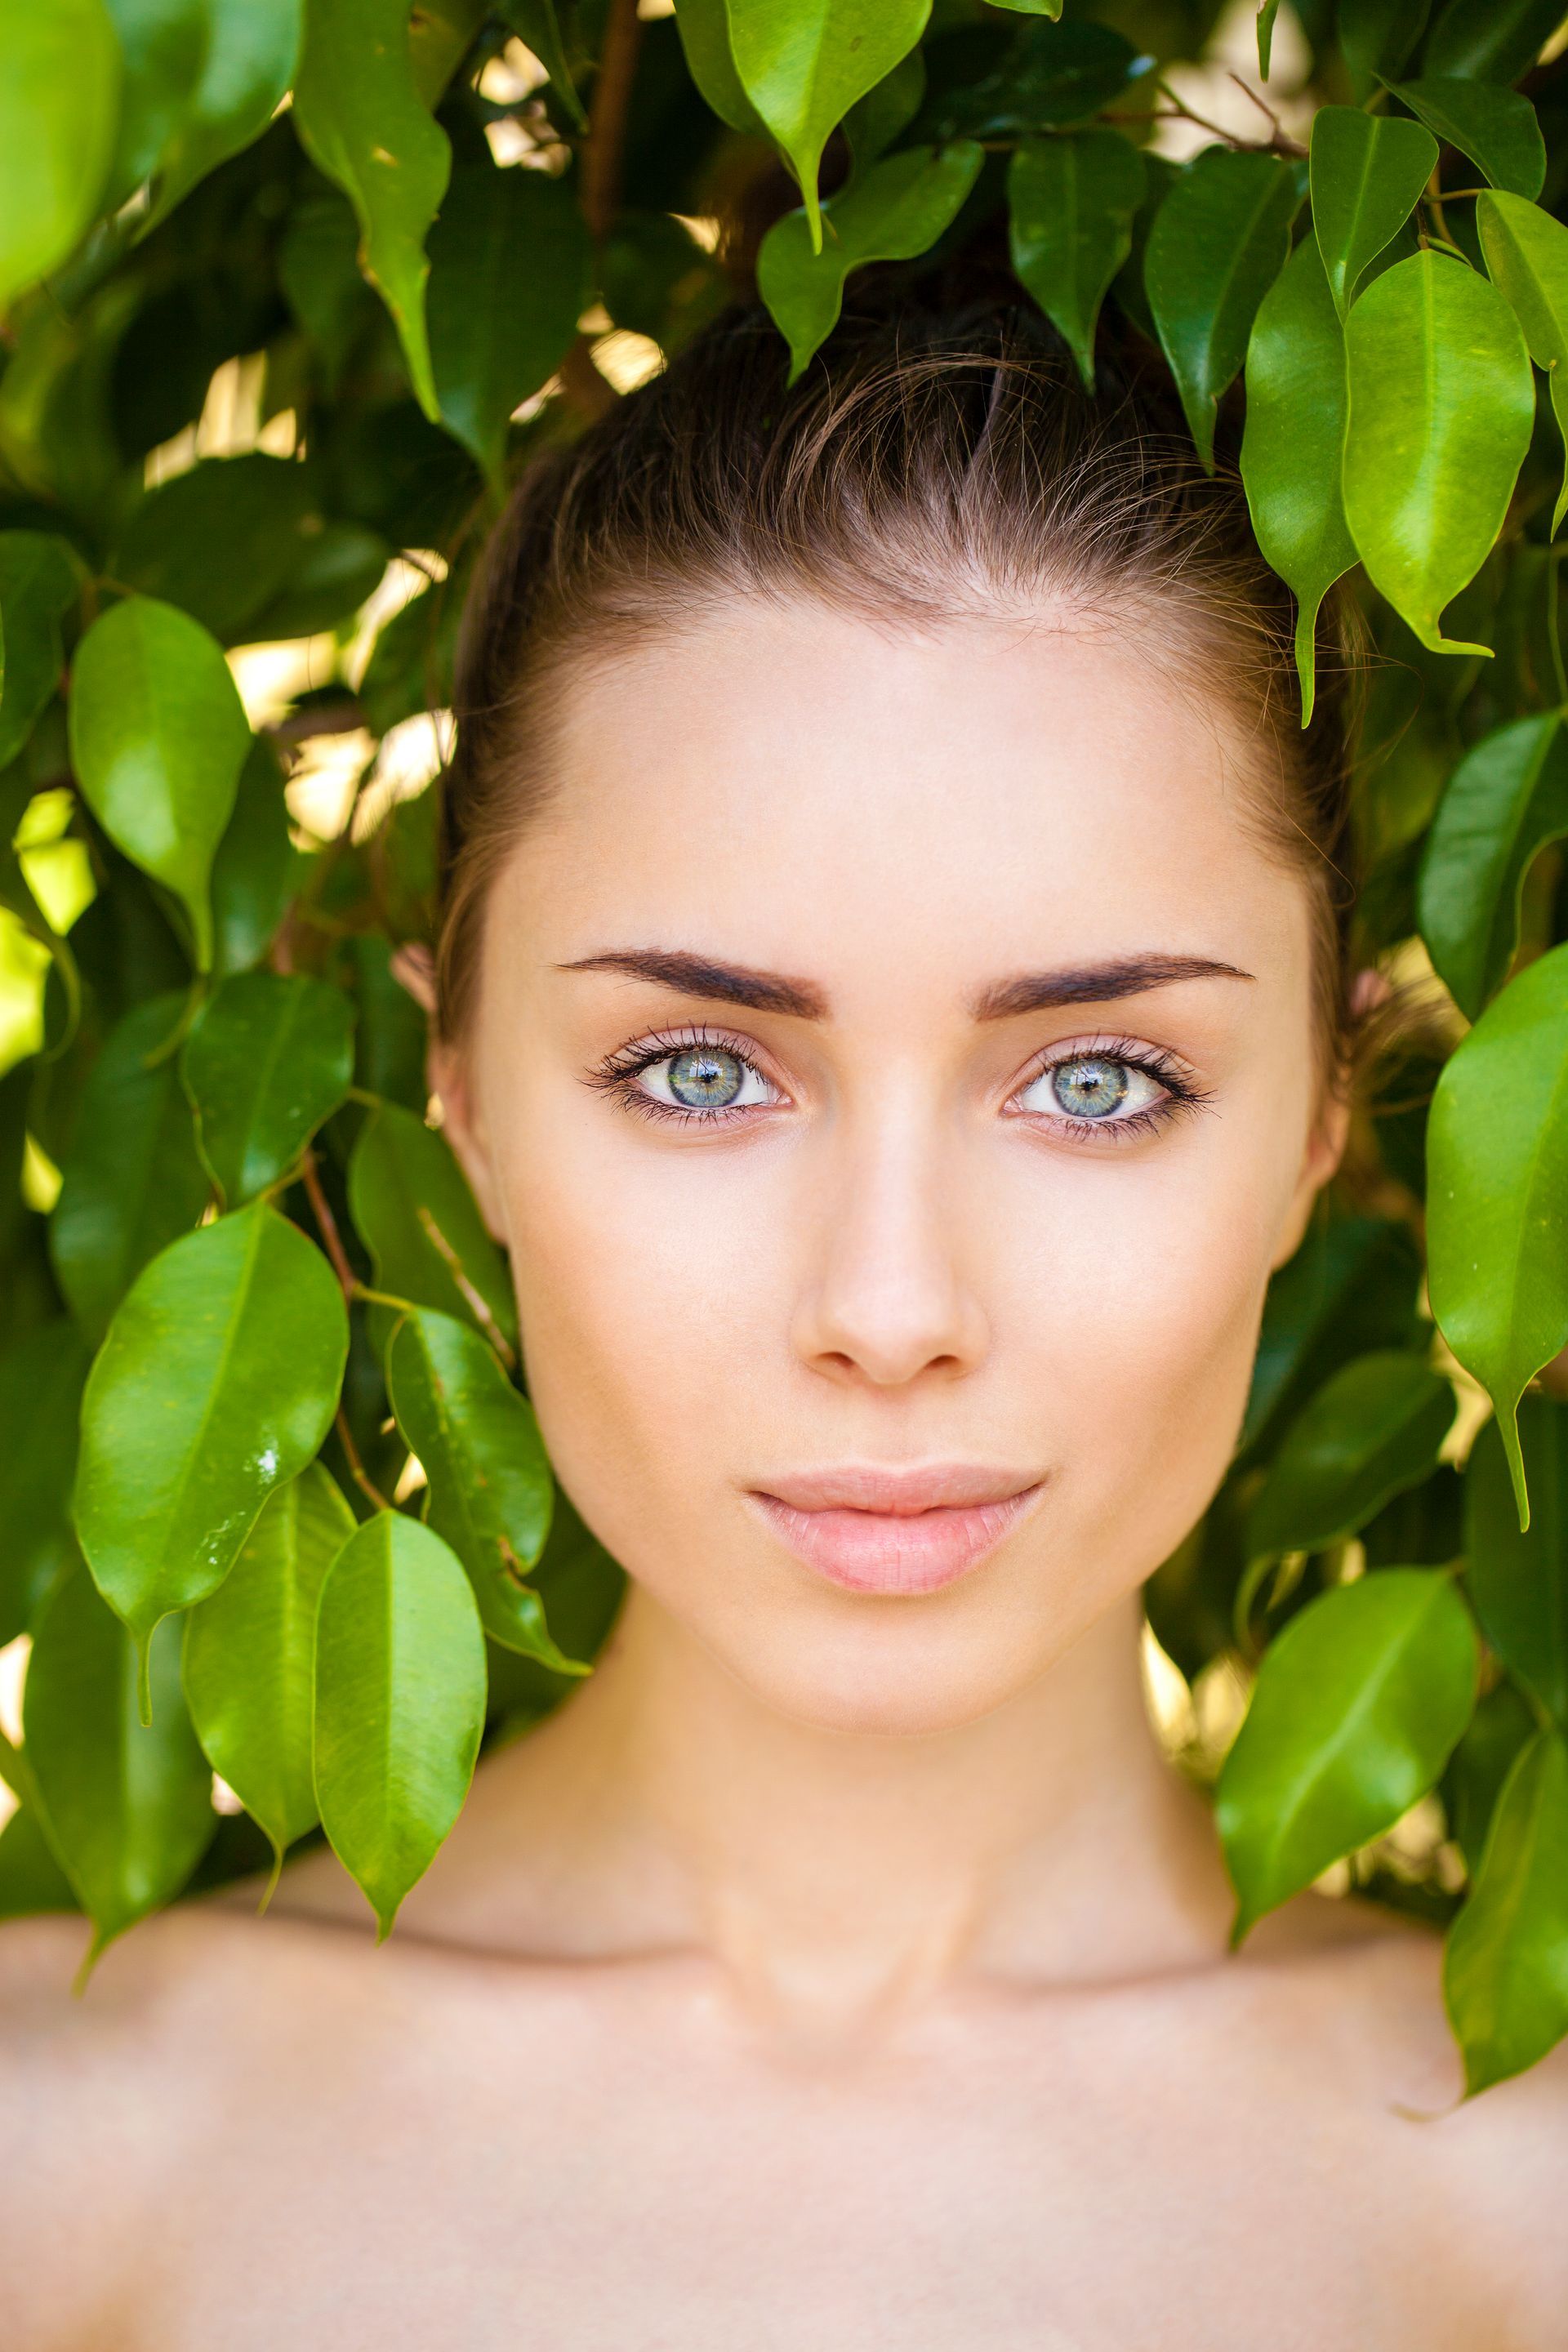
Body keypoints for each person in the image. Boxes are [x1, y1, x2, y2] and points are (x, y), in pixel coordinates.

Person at [3, 292, 1565, 2350]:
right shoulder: (59, 2155)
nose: (891, 1311)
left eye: (1100, 1079)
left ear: (1323, 1126)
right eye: (699, 1072)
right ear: (457, 1096)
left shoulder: (1519, 2203)